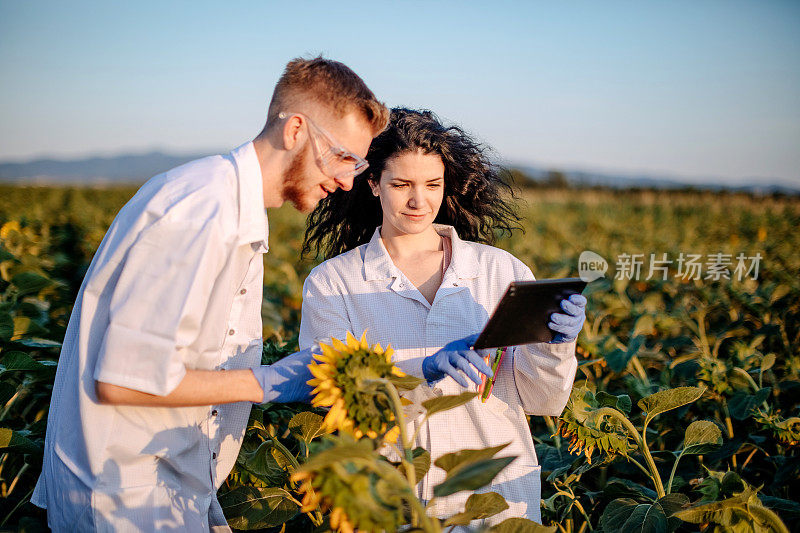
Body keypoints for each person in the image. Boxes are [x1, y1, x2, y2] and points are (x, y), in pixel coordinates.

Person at [31, 56, 389, 532]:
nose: (347, 181)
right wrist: (269, 381)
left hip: (166, 483)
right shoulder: (201, 211)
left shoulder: (227, 205)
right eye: (344, 157)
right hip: (125, 499)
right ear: (295, 130)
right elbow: (125, 379)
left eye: (358, 163)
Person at [299, 108, 586, 527]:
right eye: (401, 184)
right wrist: (421, 370)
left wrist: (555, 345)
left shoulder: (499, 271)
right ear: (373, 185)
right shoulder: (333, 283)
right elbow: (329, 397)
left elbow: (545, 400)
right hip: (395, 497)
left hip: (498, 496)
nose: (420, 200)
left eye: (432, 184)